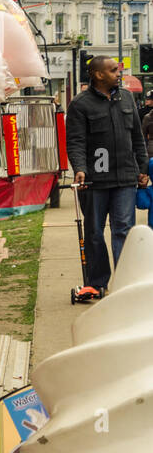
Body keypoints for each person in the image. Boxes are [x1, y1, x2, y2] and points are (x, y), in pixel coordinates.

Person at [65, 56, 150, 293]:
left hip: (125, 179)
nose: (118, 74)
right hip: (94, 182)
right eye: (113, 70)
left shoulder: (126, 99)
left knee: (124, 229)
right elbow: (75, 142)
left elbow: (137, 138)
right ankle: (97, 283)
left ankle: (125, 285)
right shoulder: (80, 105)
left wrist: (142, 169)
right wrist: (80, 168)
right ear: (98, 75)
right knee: (94, 233)